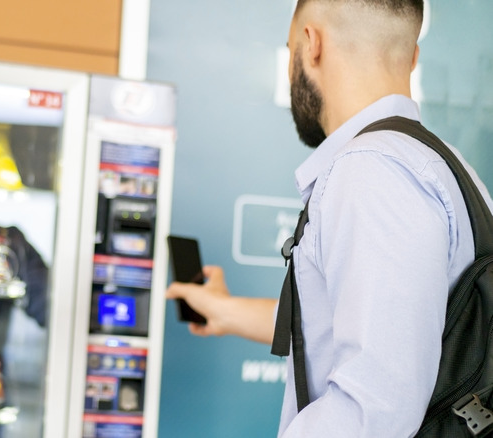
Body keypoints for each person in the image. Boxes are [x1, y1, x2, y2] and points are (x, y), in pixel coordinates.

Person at [166, 1, 493, 436]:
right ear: (412, 57)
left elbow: (373, 410)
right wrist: (225, 311)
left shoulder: (373, 171)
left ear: (310, 44)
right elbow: (373, 327)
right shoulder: (446, 168)